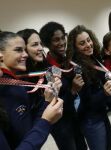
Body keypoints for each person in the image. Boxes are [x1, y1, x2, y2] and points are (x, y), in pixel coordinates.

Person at [0, 31, 63, 149]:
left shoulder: (14, 84)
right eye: (18, 50)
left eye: (24, 50)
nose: (25, 54)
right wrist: (46, 121)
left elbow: (28, 128)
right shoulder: (5, 88)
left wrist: (46, 101)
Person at [39, 22, 87, 150]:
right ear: (47, 44)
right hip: (61, 124)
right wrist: (73, 90)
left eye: (62, 37)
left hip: (75, 117)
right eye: (56, 40)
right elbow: (53, 101)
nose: (61, 42)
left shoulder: (67, 61)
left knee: (82, 147)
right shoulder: (47, 69)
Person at [66, 25, 111, 150]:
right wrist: (104, 92)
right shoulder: (78, 69)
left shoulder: (94, 59)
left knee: (108, 145)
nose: (88, 44)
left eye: (88, 40)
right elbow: (86, 103)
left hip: (102, 112)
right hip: (90, 118)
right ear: (75, 48)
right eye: (82, 43)